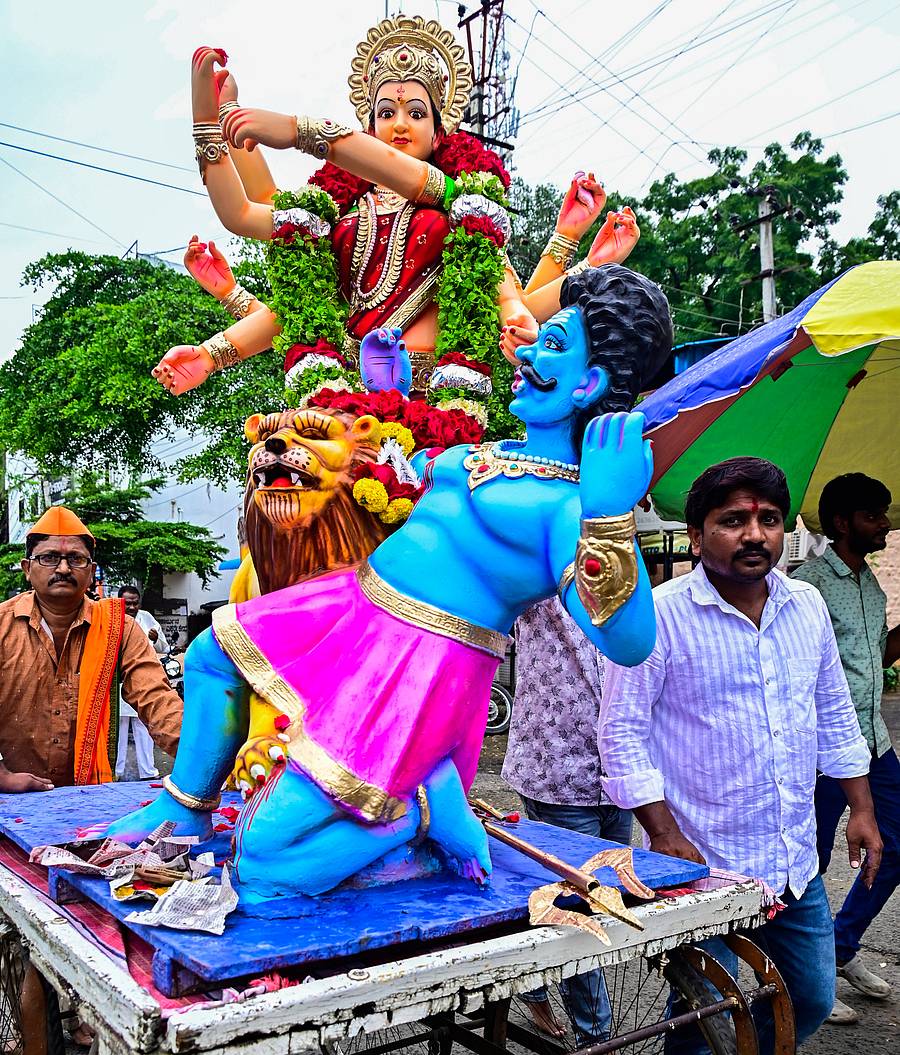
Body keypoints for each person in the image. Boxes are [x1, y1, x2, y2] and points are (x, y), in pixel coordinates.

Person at [107, 263, 673, 906]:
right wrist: (388, 392)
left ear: (588, 384)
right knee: (212, 653)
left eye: (553, 344)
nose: (527, 348)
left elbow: (627, 642)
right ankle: (185, 809)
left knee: (266, 866)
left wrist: (608, 512)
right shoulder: (489, 454)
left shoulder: (567, 507)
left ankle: (417, 813)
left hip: (420, 659)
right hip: (355, 604)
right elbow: (392, 470)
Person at [151, 17, 638, 412]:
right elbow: (244, 217)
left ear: (440, 129)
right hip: (339, 407)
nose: (400, 124)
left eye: (416, 113)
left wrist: (586, 263)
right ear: (369, 123)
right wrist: (213, 117)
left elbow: (515, 309)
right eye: (385, 112)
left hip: (443, 409)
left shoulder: (459, 206)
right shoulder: (338, 218)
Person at [599, 457, 882, 1055]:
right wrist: (666, 836)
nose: (754, 533)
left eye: (768, 519)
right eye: (733, 520)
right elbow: (621, 733)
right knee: (699, 1017)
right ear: (697, 537)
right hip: (703, 867)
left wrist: (862, 808)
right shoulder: (660, 616)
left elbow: (834, 709)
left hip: (790, 860)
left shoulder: (805, 605)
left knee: (809, 994)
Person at [794, 473, 900, 1022]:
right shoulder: (808, 585)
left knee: (895, 844)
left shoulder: (870, 584)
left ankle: (840, 947)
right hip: (820, 749)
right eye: (875, 515)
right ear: (843, 523)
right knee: (806, 861)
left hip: (874, 742)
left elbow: (873, 660)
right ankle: (801, 974)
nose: (885, 524)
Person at [502, 596, 632, 1045]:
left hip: (622, 772)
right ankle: (595, 1041)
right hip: (556, 772)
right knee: (583, 905)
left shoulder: (627, 584)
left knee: (603, 898)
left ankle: (534, 982)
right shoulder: (539, 587)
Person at [0, 508, 183, 790]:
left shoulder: (120, 629)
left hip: (90, 802)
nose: (63, 568)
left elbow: (158, 700)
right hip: (7, 802)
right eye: (49, 558)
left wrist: (210, 759)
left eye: (75, 559)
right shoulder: (2, 626)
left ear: (91, 571)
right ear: (27, 568)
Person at [116, 586, 170, 781]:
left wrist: (156, 640)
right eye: (127, 603)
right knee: (118, 730)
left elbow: (164, 647)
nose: (131, 606)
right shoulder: (112, 617)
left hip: (144, 680)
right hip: (119, 683)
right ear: (119, 601)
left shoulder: (147, 618)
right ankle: (117, 771)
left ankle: (148, 771)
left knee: (144, 726)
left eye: (135, 602)